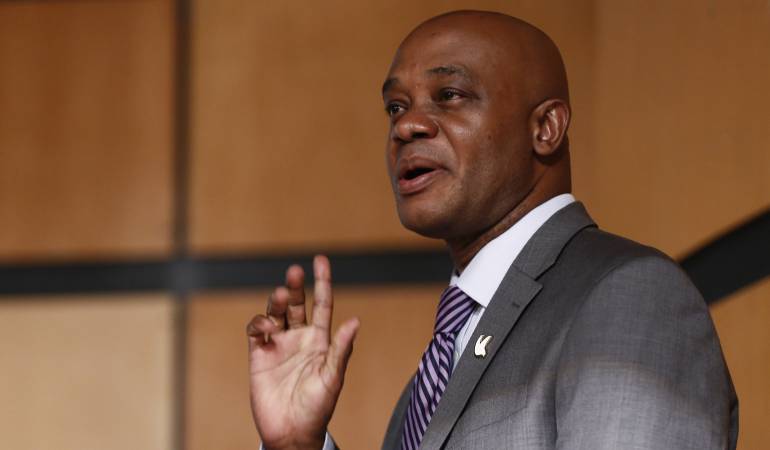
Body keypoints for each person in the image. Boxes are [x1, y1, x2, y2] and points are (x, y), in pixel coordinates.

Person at [246, 10, 738, 450]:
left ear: (545, 128)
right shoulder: (431, 378)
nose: (406, 126)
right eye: (396, 107)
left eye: (449, 96)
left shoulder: (628, 296)